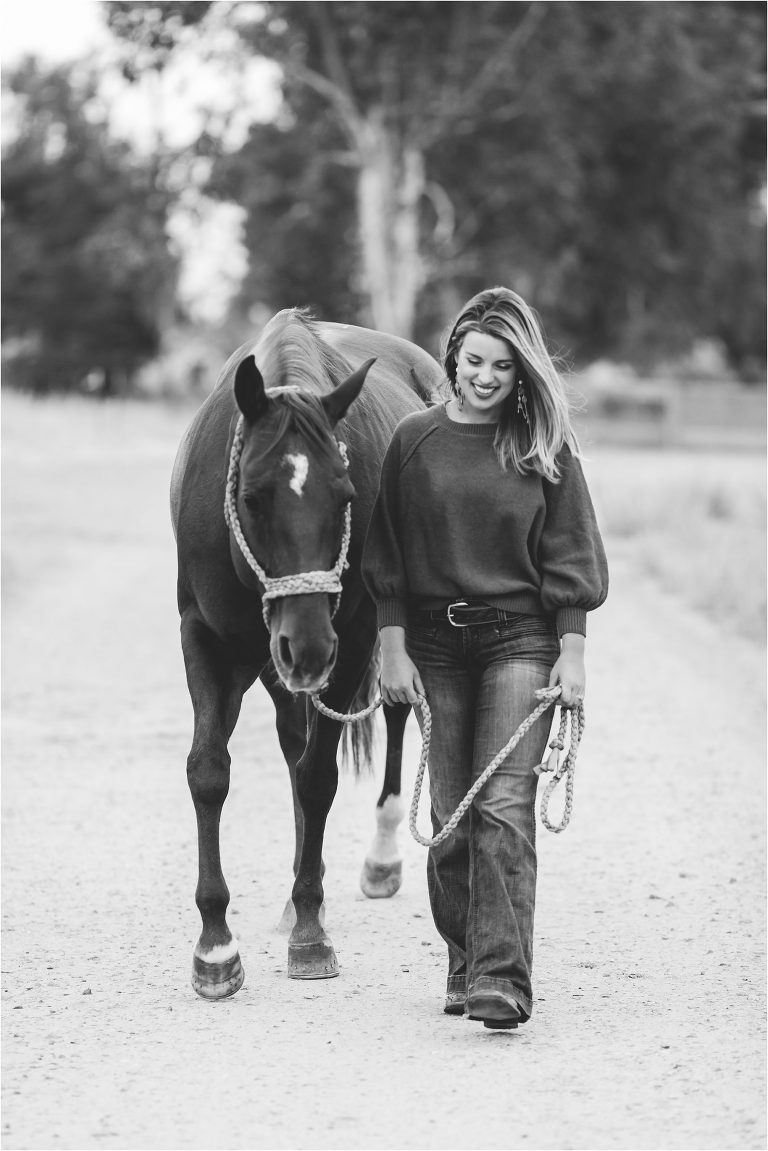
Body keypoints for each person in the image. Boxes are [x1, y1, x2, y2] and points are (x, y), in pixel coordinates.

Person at [361, 286, 608, 1029]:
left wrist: (573, 649)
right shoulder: (413, 439)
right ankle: (465, 960)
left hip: (520, 640)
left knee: (503, 806)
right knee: (450, 816)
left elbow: (571, 549)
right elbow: (387, 551)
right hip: (433, 642)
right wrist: (392, 641)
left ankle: (503, 978)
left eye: (503, 365)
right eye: (475, 360)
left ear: (522, 371)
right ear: (454, 358)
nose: (486, 376)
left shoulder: (542, 446)